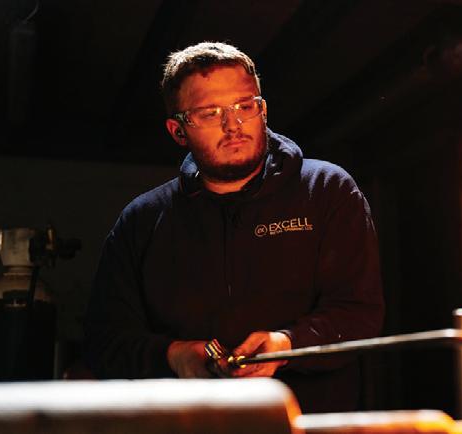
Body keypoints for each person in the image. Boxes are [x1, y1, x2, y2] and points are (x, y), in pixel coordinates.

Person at [83, 42, 385, 413]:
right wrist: (174, 356)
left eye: (245, 106)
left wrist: (287, 344)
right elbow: (104, 341)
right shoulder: (141, 220)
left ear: (263, 110)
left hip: (305, 425)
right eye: (210, 113)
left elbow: (358, 313)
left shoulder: (326, 190)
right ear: (178, 131)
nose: (233, 125)